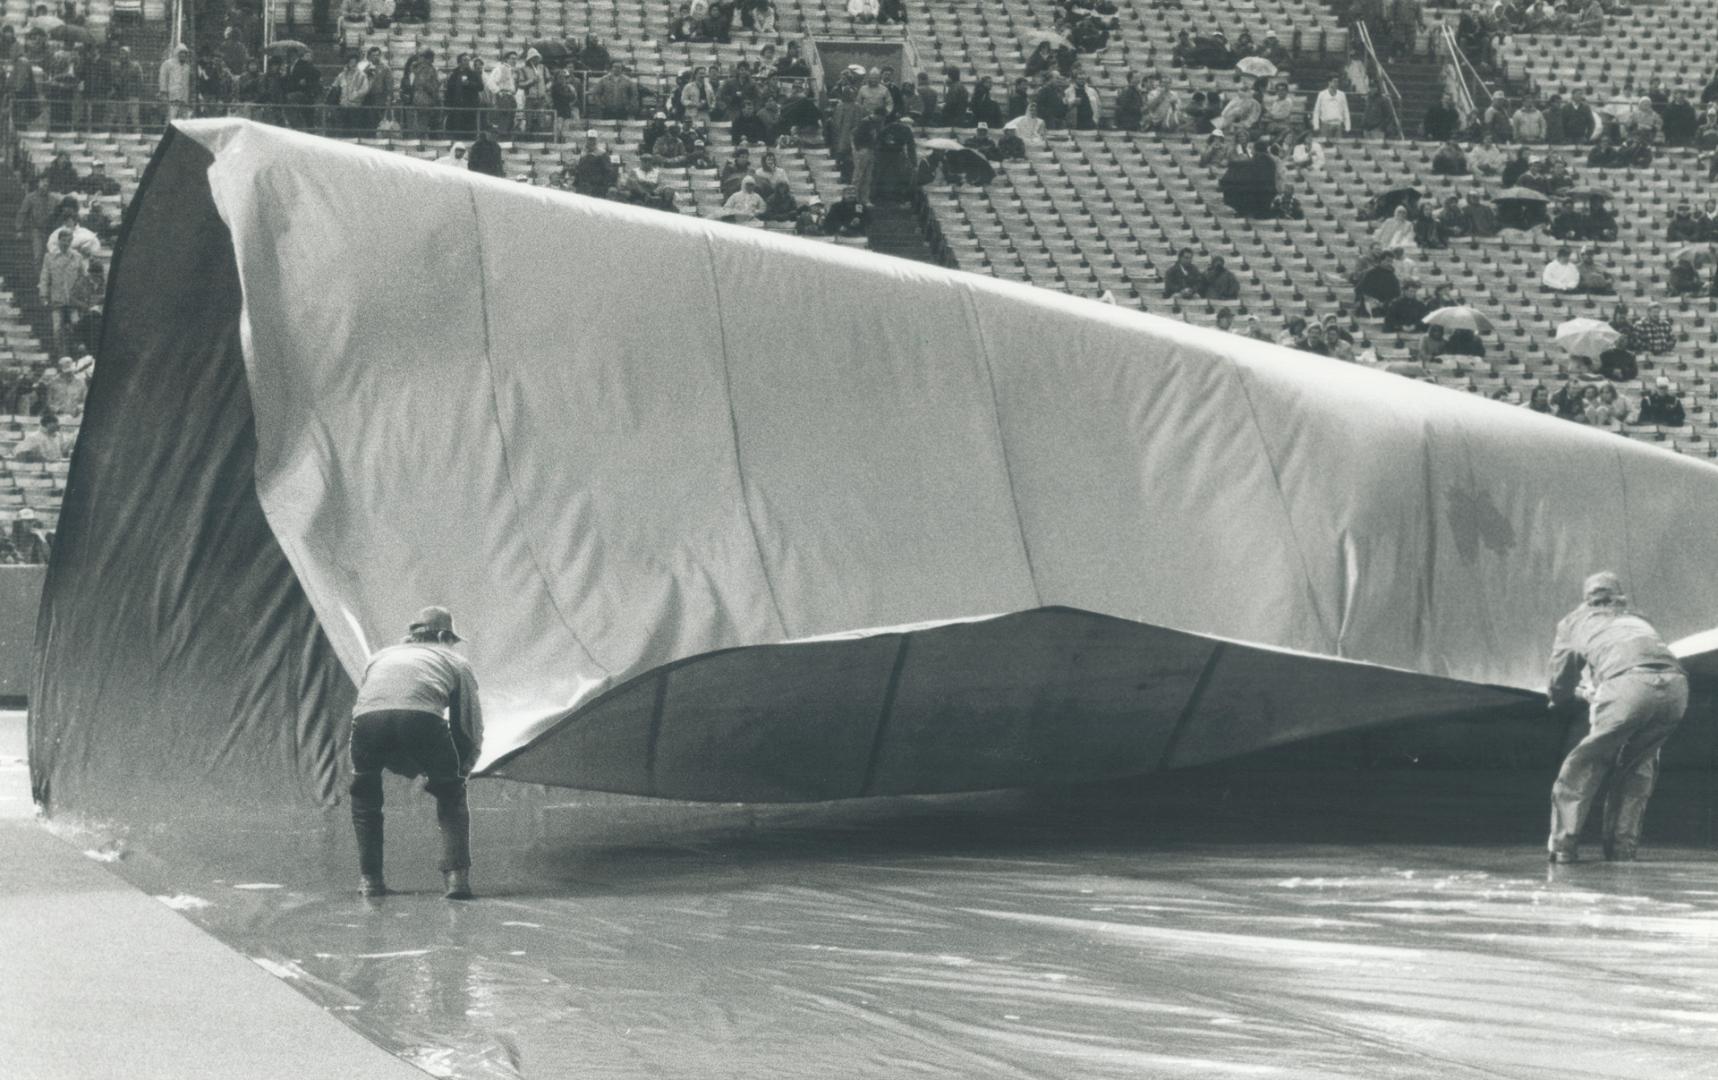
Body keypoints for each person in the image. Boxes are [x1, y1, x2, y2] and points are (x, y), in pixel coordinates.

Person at [1545, 572, 1687, 863]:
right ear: (1620, 597)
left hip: (1627, 688)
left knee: (1583, 765)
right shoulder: (1639, 619)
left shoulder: (1574, 622)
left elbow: (1561, 678)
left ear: (1587, 600)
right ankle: (1623, 852)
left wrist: (1560, 699)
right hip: (1676, 688)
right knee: (1638, 767)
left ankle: (1563, 849)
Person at [348, 606, 483, 899]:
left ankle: (370, 881)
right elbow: (467, 727)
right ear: (444, 636)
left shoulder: (379, 657)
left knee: (364, 797)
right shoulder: (454, 660)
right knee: (452, 795)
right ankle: (457, 880)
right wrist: (457, 773)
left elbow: (376, 707)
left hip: (367, 724)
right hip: (421, 720)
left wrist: (414, 768)